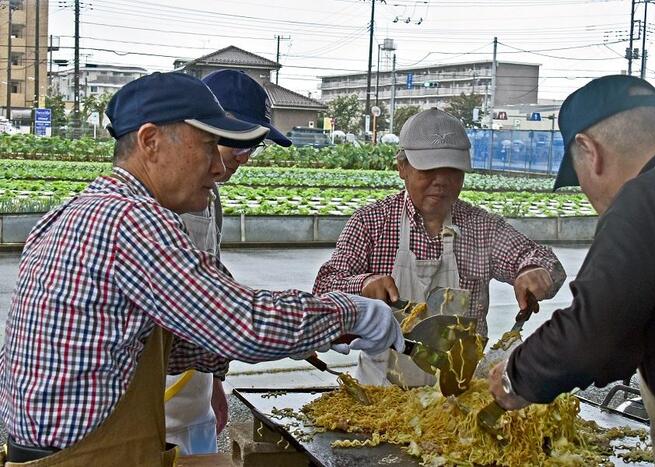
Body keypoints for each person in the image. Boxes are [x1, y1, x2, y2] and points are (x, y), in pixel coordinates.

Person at [0, 72, 404, 465]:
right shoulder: (131, 220)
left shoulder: (81, 208)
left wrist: (314, 331)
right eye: (208, 146)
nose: (218, 166)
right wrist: (352, 312)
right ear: (150, 141)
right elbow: (243, 324)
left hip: (63, 449)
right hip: (86, 457)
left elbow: (148, 344)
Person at [487, 75, 655, 467]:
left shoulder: (643, 198)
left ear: (589, 150)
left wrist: (514, 375)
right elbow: (628, 334)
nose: (586, 193)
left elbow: (596, 334)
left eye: (578, 176)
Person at [313, 108, 565, 387]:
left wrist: (532, 270)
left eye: (452, 171)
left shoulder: (482, 227)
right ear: (402, 168)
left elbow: (542, 259)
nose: (441, 181)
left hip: (458, 399)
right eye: (429, 170)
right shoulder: (372, 223)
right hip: (380, 395)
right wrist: (363, 284)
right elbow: (324, 289)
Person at [164, 69, 293, 455]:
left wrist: (212, 381)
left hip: (192, 390)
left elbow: (213, 294)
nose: (243, 159)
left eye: (253, 148)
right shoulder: (147, 212)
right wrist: (336, 319)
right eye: (239, 144)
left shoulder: (210, 197)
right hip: (147, 403)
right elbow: (220, 310)